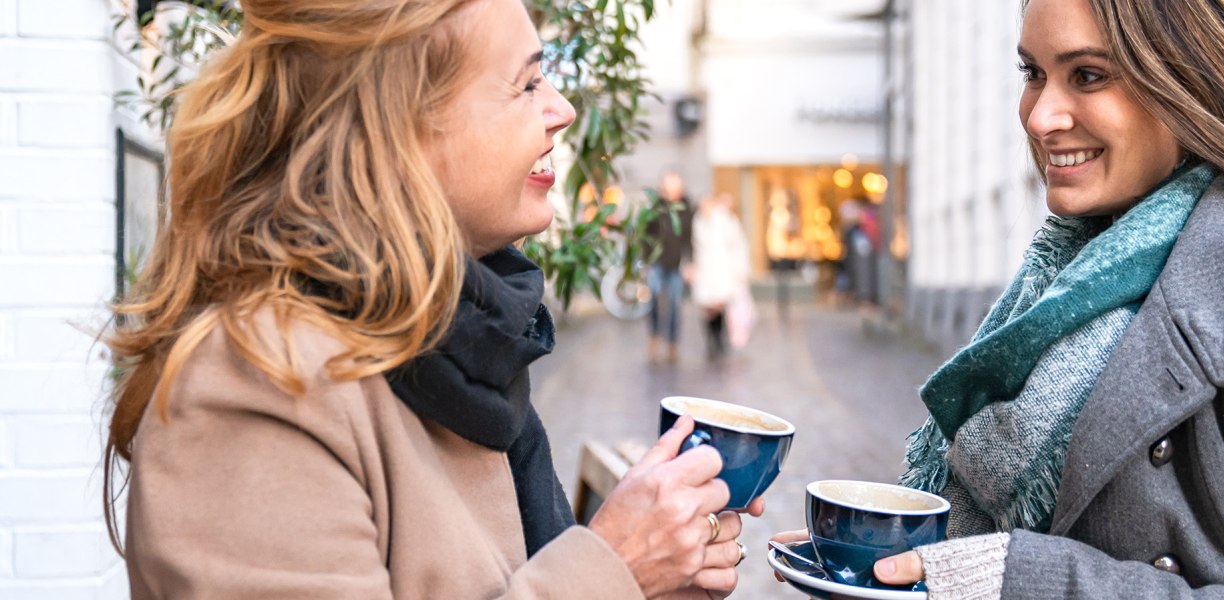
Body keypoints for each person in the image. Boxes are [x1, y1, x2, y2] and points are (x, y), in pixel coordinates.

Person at [776, 0, 1224, 596]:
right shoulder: (1072, 282)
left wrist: (1031, 582)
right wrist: (884, 564)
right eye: (1033, 73)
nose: (1041, 116)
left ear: (1197, 84)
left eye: (1088, 76)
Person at [101, 0, 758, 598]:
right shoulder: (256, 387)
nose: (561, 109)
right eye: (527, 83)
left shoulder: (459, 344)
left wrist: (655, 576)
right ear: (397, 128)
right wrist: (613, 566)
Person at [688, 193, 750, 359]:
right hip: (705, 269)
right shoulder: (698, 222)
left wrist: (740, 269)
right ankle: (711, 340)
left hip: (722, 269)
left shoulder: (725, 221)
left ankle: (720, 338)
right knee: (708, 306)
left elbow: (738, 245)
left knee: (720, 303)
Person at [645, 170, 695, 362]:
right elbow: (646, 236)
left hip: (676, 264)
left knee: (675, 305)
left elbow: (689, 238)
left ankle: (673, 342)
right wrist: (647, 261)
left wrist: (689, 263)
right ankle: (654, 336)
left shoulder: (686, 209)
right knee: (655, 301)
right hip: (657, 264)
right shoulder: (655, 208)